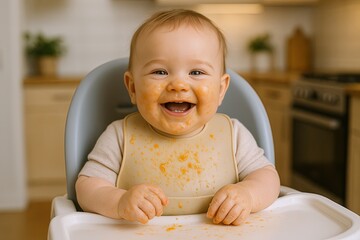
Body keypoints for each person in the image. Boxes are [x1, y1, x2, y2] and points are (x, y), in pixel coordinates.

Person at [75, 9, 280, 226]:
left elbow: (268, 178)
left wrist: (247, 195)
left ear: (221, 89)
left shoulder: (233, 135)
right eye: (160, 72)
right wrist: (119, 202)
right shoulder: (120, 137)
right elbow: (88, 187)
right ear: (132, 87)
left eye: (196, 72)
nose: (179, 85)